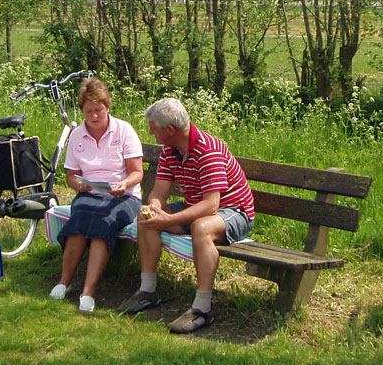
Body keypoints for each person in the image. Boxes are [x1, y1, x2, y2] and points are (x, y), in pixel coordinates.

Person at [118, 97, 255, 334]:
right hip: (197, 206)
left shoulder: (207, 149)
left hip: (234, 211)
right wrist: (155, 208)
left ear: (169, 130)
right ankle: (148, 291)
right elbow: (159, 191)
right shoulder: (170, 150)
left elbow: (212, 205)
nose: (150, 133)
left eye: (152, 128)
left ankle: (202, 309)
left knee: (200, 228)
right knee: (145, 217)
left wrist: (170, 220)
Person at [49, 77, 143, 313]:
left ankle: (89, 291)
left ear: (107, 107)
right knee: (80, 215)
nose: (94, 116)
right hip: (90, 192)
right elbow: (72, 175)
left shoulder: (124, 130)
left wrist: (123, 184)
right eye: (89, 111)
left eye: (99, 110)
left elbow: (137, 173)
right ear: (82, 110)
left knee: (105, 220)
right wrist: (78, 185)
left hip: (124, 196)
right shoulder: (77, 135)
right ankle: (64, 282)